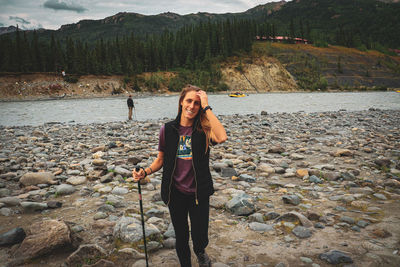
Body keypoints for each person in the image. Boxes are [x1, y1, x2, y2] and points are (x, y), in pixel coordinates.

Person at [132, 85, 227, 267]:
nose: (192, 106)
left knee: (199, 237)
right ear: (181, 102)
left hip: (199, 194)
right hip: (175, 193)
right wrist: (145, 172)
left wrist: (207, 107)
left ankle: (200, 251)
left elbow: (222, 137)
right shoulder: (167, 130)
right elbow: (160, 160)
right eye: (189, 101)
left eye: (197, 103)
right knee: (181, 237)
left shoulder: (204, 130)